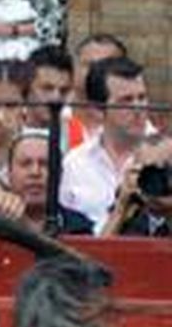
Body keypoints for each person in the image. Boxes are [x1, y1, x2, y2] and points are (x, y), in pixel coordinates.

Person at [60, 55, 148, 232]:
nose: (138, 108)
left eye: (142, 97)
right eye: (126, 100)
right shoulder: (74, 164)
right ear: (98, 110)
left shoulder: (165, 156)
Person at [6, 129, 92, 234]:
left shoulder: (81, 228)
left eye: (44, 164)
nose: (35, 172)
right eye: (26, 164)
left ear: (60, 174)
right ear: (9, 173)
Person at [99, 134, 171, 239]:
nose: (156, 179)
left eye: (165, 171)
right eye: (149, 171)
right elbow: (97, 251)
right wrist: (120, 210)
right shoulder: (129, 212)